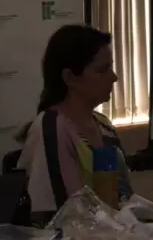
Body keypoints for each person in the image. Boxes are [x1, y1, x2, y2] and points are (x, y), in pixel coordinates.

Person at [18, 25, 133, 221]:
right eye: (102, 70)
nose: (114, 77)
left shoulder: (103, 125)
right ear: (70, 77)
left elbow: (124, 199)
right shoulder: (52, 128)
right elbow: (62, 215)